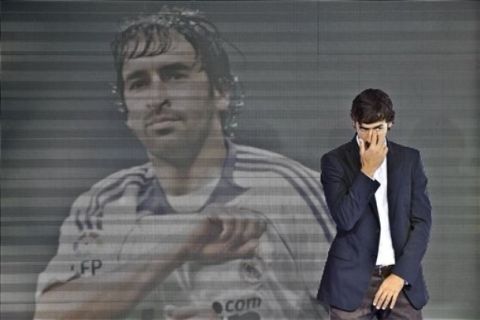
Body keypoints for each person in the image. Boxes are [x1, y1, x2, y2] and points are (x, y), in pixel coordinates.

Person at [34, 7, 334, 320]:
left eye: (174, 75)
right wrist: (178, 244)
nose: (156, 98)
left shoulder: (291, 188)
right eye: (138, 83)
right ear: (126, 112)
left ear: (221, 92)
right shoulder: (101, 204)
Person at [317, 88, 432, 319]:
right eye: (364, 129)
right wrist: (367, 171)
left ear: (390, 124)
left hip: (400, 281)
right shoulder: (334, 162)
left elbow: (421, 223)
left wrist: (400, 275)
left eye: (378, 128)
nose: (371, 137)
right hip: (351, 282)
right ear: (354, 124)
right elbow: (345, 218)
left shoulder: (409, 160)